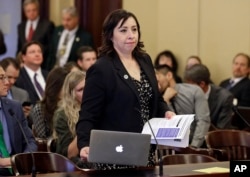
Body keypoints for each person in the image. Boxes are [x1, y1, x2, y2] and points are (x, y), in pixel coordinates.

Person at [76, 9, 175, 169]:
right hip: (116, 151)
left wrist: (166, 111)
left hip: (145, 148)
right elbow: (88, 114)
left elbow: (156, 98)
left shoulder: (145, 60)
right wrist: (84, 144)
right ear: (110, 35)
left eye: (134, 29)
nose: (131, 35)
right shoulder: (101, 69)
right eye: (123, 30)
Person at [155, 64, 210, 147]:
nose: (156, 84)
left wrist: (194, 147)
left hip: (196, 146)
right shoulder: (157, 100)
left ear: (169, 75)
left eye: (157, 79)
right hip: (169, 148)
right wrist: (165, 100)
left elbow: (203, 121)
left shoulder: (194, 91)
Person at [0, 66, 37, 176]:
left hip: (17, 170)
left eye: (6, 77)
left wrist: (20, 160)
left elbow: (30, 142)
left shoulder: (14, 107)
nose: (7, 82)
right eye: (1, 78)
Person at [184, 64, 234, 130]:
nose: (187, 89)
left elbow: (222, 131)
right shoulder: (186, 95)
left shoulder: (224, 98)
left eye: (190, 86)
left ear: (202, 84)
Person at [46, 6, 94, 71]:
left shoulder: (85, 37)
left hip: (72, 73)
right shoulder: (57, 31)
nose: (65, 23)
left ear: (76, 19)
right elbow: (50, 53)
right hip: (54, 70)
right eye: (63, 19)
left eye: (68, 20)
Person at [53, 70, 85, 160]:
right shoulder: (62, 115)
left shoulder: (101, 108)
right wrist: (86, 123)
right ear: (71, 94)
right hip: (76, 162)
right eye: (80, 90)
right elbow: (69, 154)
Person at [29, 67, 68, 138]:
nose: (67, 91)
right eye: (64, 87)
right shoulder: (40, 109)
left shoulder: (73, 107)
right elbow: (42, 138)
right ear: (54, 87)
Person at [17, 0, 54, 68]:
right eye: (28, 11)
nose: (31, 13)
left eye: (34, 10)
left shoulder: (47, 25)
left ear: (38, 10)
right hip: (24, 66)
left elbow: (50, 49)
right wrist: (18, 63)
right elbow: (19, 47)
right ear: (25, 12)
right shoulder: (21, 26)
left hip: (42, 65)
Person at [15, 41, 48, 105]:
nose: (37, 54)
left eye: (39, 52)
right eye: (32, 52)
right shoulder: (18, 76)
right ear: (23, 57)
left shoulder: (49, 75)